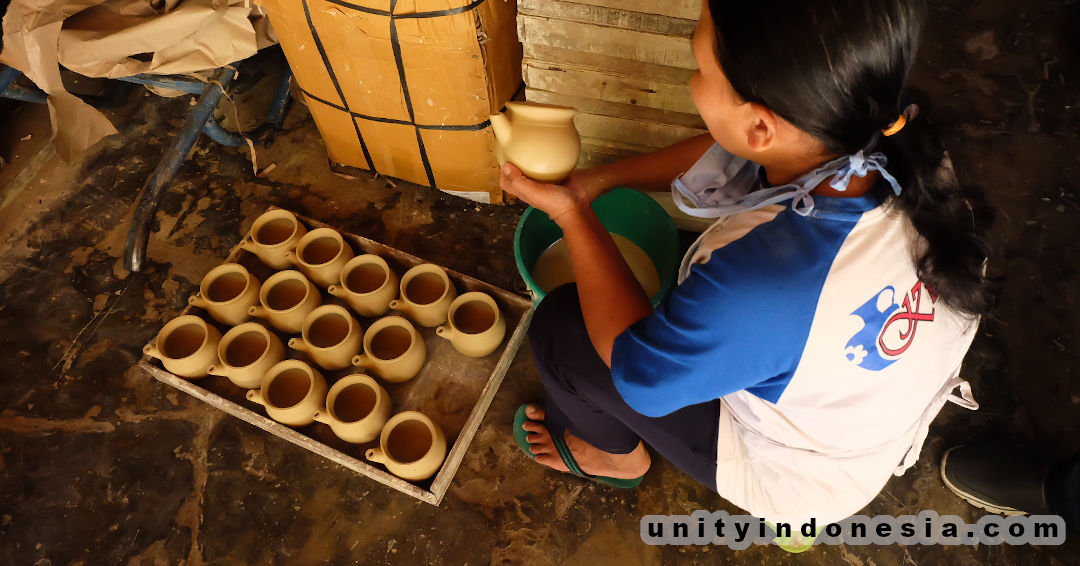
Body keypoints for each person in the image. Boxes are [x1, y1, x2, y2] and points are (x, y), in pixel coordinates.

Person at [501, 0, 994, 527]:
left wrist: (574, 216)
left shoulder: (762, 284)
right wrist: (600, 181)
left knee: (561, 329)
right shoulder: (886, 126)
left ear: (761, 125)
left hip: (801, 473)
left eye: (700, 68)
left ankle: (617, 459)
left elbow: (640, 375)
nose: (694, 81)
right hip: (863, 404)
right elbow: (739, 149)